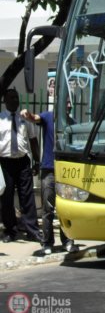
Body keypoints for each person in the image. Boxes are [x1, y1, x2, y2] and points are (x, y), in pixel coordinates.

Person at [21, 108, 79, 255]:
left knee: (66, 208)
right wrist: (27, 114)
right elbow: (34, 118)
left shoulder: (72, 123)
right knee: (48, 208)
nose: (68, 104)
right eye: (65, 101)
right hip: (49, 169)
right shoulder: (48, 116)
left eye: (69, 102)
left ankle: (68, 241)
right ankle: (47, 243)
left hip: (66, 170)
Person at [0, 88, 42, 243]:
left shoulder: (24, 118)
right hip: (5, 163)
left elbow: (33, 140)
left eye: (16, 98)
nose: (15, 101)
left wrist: (37, 161)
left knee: (28, 197)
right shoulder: (0, 119)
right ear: (5, 100)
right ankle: (10, 231)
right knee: (7, 198)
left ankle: (33, 231)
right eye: (11, 98)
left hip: (23, 162)